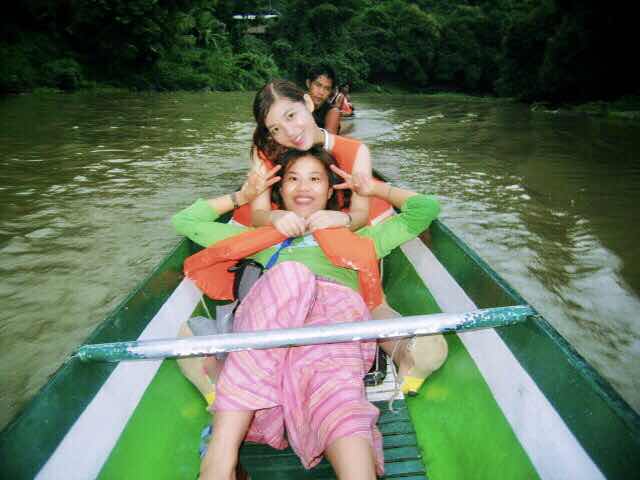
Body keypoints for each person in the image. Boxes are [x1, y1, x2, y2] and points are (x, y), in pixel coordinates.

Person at [172, 146, 441, 480]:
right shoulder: (260, 238)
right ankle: (219, 461)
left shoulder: (360, 237)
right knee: (291, 276)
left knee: (336, 387)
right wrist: (243, 196)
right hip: (271, 326)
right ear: (280, 190)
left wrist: (372, 189)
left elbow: (425, 209)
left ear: (329, 191)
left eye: (315, 179)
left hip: (333, 322)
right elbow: (184, 221)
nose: (303, 187)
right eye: (293, 179)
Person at [243, 79, 448, 396]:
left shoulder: (355, 151)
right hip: (285, 238)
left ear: (308, 104)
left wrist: (342, 219)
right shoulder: (264, 151)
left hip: (342, 233)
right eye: (275, 129)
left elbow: (360, 213)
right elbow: (258, 214)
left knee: (367, 294)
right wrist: (277, 217)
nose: (289, 132)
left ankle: (405, 352)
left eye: (291, 116)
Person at [305, 64, 342, 134]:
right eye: (318, 85)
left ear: (331, 91)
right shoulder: (296, 104)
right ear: (308, 83)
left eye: (327, 89)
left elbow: (328, 138)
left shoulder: (333, 112)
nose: (321, 92)